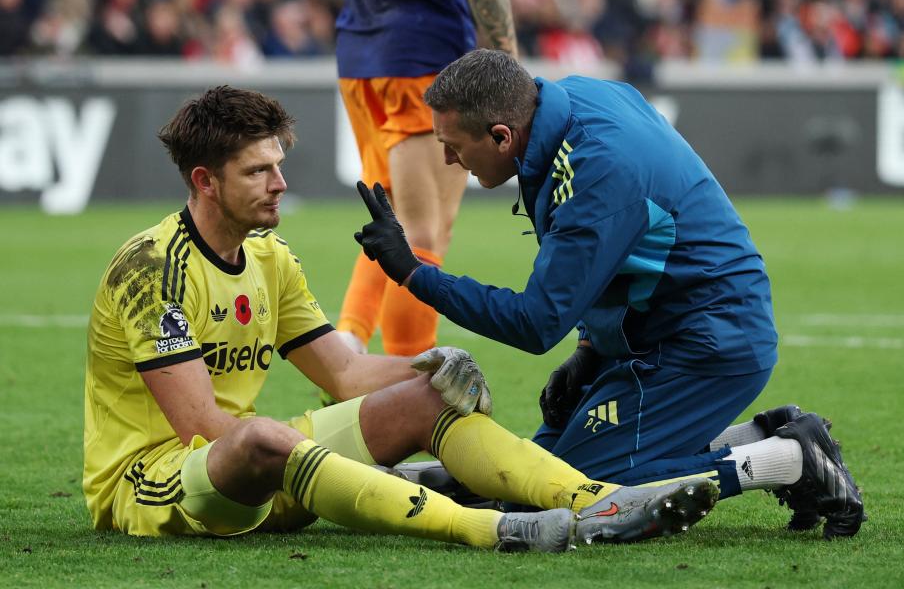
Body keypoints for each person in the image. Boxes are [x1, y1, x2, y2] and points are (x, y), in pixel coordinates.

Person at [82, 85, 719, 551]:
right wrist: (317, 457)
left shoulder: (269, 258)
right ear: (205, 181)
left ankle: (597, 502)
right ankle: (493, 527)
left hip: (263, 469)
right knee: (259, 437)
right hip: (159, 482)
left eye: (279, 164)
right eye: (258, 171)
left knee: (425, 399)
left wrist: (433, 367)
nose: (279, 182)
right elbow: (204, 428)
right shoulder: (150, 271)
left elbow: (345, 373)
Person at [354, 50, 865, 539]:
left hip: (708, 344)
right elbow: (616, 256)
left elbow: (535, 323)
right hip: (669, 329)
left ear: (502, 135)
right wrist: (588, 351)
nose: (446, 158)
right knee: (538, 471)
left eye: (453, 144)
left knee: (573, 490)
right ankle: (761, 437)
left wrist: (414, 273)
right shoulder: (573, 102)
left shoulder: (598, 172)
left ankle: (792, 459)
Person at [333, 0, 518, 358]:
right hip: (426, 55)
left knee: (394, 217)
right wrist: (509, 73)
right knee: (424, 233)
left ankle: (349, 344)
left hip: (358, 54)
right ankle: (406, 374)